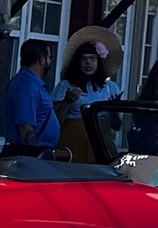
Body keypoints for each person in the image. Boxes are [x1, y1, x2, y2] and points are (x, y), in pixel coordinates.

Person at [52, 27, 123, 164]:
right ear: (77, 62)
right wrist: (66, 102)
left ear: (99, 62)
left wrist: (114, 112)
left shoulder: (111, 88)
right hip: (73, 143)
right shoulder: (65, 86)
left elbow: (116, 127)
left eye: (92, 59)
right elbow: (55, 122)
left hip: (100, 143)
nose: (88, 63)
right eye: (83, 59)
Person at [3, 38, 59, 150]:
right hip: (32, 154)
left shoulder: (31, 83)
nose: (49, 61)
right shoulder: (27, 85)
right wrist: (31, 157)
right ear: (42, 60)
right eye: (49, 57)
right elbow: (25, 127)